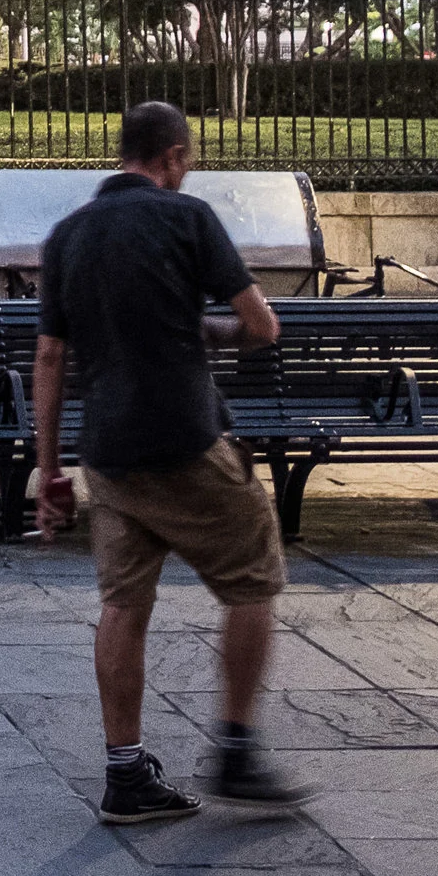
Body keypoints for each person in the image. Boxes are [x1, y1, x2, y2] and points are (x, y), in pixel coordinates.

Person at [33, 102, 312, 822]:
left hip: (108, 453)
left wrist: (49, 470)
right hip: (187, 441)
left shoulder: (67, 235)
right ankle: (236, 751)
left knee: (123, 605)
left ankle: (126, 774)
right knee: (253, 580)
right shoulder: (188, 218)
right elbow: (261, 324)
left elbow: (50, 358)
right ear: (174, 157)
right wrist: (210, 330)